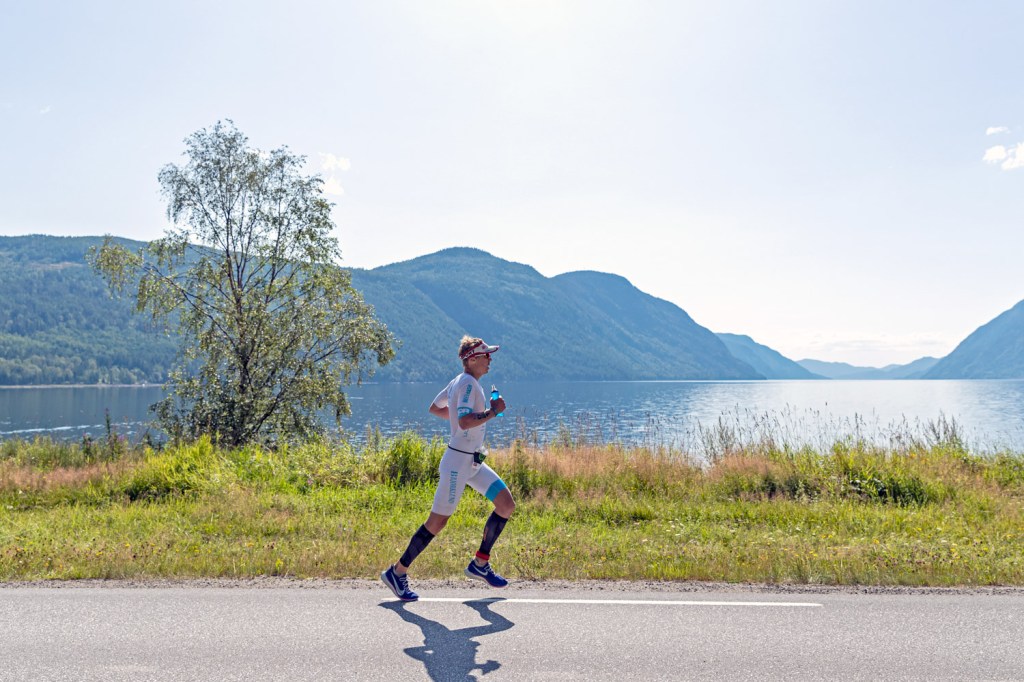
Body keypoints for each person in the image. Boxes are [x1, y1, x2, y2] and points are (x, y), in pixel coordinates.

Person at [381, 336, 515, 602]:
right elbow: (464, 421)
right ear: (472, 359)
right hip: (457, 464)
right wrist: (492, 412)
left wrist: (462, 416)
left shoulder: (459, 381)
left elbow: (436, 408)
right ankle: (397, 572)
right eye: (486, 355)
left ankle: (480, 564)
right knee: (437, 522)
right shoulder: (467, 384)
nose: (490, 359)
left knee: (506, 505)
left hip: (472, 462)